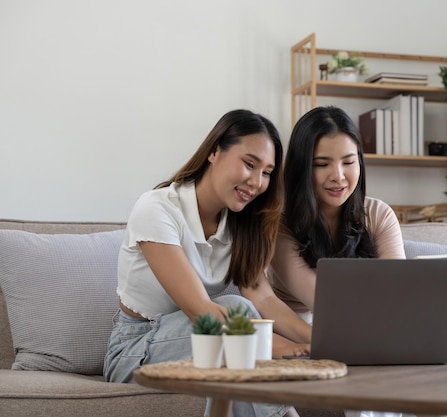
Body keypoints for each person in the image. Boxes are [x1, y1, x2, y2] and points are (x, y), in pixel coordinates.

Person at [103, 109, 311, 417]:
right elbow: (200, 310)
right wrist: (280, 347)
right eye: (249, 164)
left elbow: (264, 297)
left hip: (208, 343)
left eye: (266, 172)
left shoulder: (242, 222)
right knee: (235, 313)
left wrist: (321, 343)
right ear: (214, 151)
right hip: (135, 350)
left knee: (234, 347)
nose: (257, 182)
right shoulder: (157, 209)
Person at [269, 106, 405, 325]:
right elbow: (322, 301)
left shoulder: (379, 215)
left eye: (349, 162)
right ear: (301, 168)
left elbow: (398, 292)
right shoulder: (281, 223)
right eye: (322, 164)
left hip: (373, 325)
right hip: (299, 331)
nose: (338, 176)